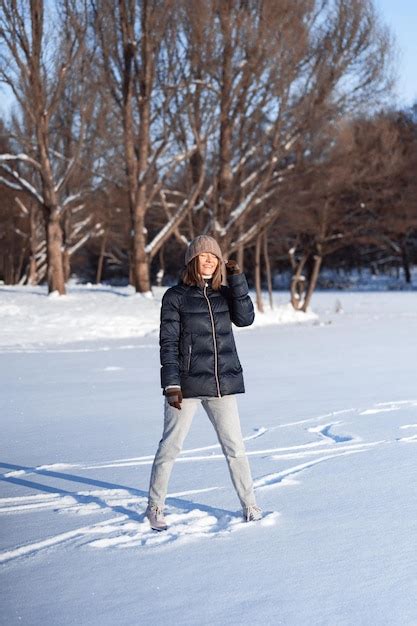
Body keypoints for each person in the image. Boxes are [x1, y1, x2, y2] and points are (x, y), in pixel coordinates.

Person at [146, 235, 262, 531]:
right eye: (203, 256)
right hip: (184, 387)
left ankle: (250, 505)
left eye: (214, 256)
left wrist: (237, 280)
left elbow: (245, 318)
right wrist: (171, 384)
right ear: (192, 261)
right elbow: (168, 342)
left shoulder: (225, 293)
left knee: (235, 447)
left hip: (222, 385)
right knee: (170, 447)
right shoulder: (175, 297)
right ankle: (155, 506)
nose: (209, 260)